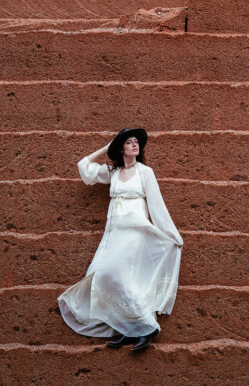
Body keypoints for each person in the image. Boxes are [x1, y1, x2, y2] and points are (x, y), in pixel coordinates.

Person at [58, 127, 183, 351]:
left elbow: (157, 205)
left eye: (137, 142)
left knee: (122, 277)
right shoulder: (113, 173)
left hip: (135, 233)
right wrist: (107, 148)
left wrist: (171, 233)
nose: (135, 145)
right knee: (108, 274)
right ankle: (127, 329)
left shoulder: (145, 172)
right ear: (121, 149)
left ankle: (149, 326)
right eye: (129, 142)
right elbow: (83, 167)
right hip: (114, 233)